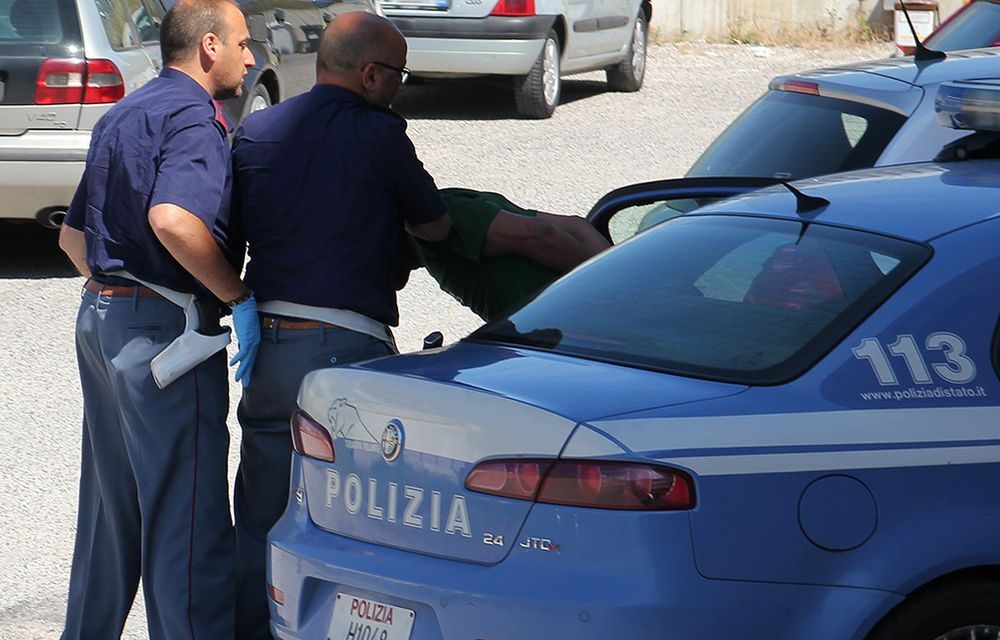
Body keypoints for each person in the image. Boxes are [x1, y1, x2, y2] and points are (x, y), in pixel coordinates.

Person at [229, 12, 451, 638]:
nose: (400, 88)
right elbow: (435, 225)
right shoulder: (381, 137)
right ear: (372, 73)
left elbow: (229, 235)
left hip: (267, 351)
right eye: (399, 76)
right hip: (348, 350)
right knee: (353, 520)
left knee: (262, 513)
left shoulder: (258, 130)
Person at [56, 1, 258, 638]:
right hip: (162, 339)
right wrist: (239, 297)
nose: (252, 58)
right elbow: (172, 220)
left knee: (109, 518)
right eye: (243, 44)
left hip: (100, 321)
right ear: (208, 47)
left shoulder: (124, 111)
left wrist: (119, 292)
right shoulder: (198, 120)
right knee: (186, 522)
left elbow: (71, 240)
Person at [410, 187, 611, 321]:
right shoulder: (456, 206)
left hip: (576, 338)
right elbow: (575, 226)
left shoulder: (451, 212)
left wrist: (614, 287)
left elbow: (539, 235)